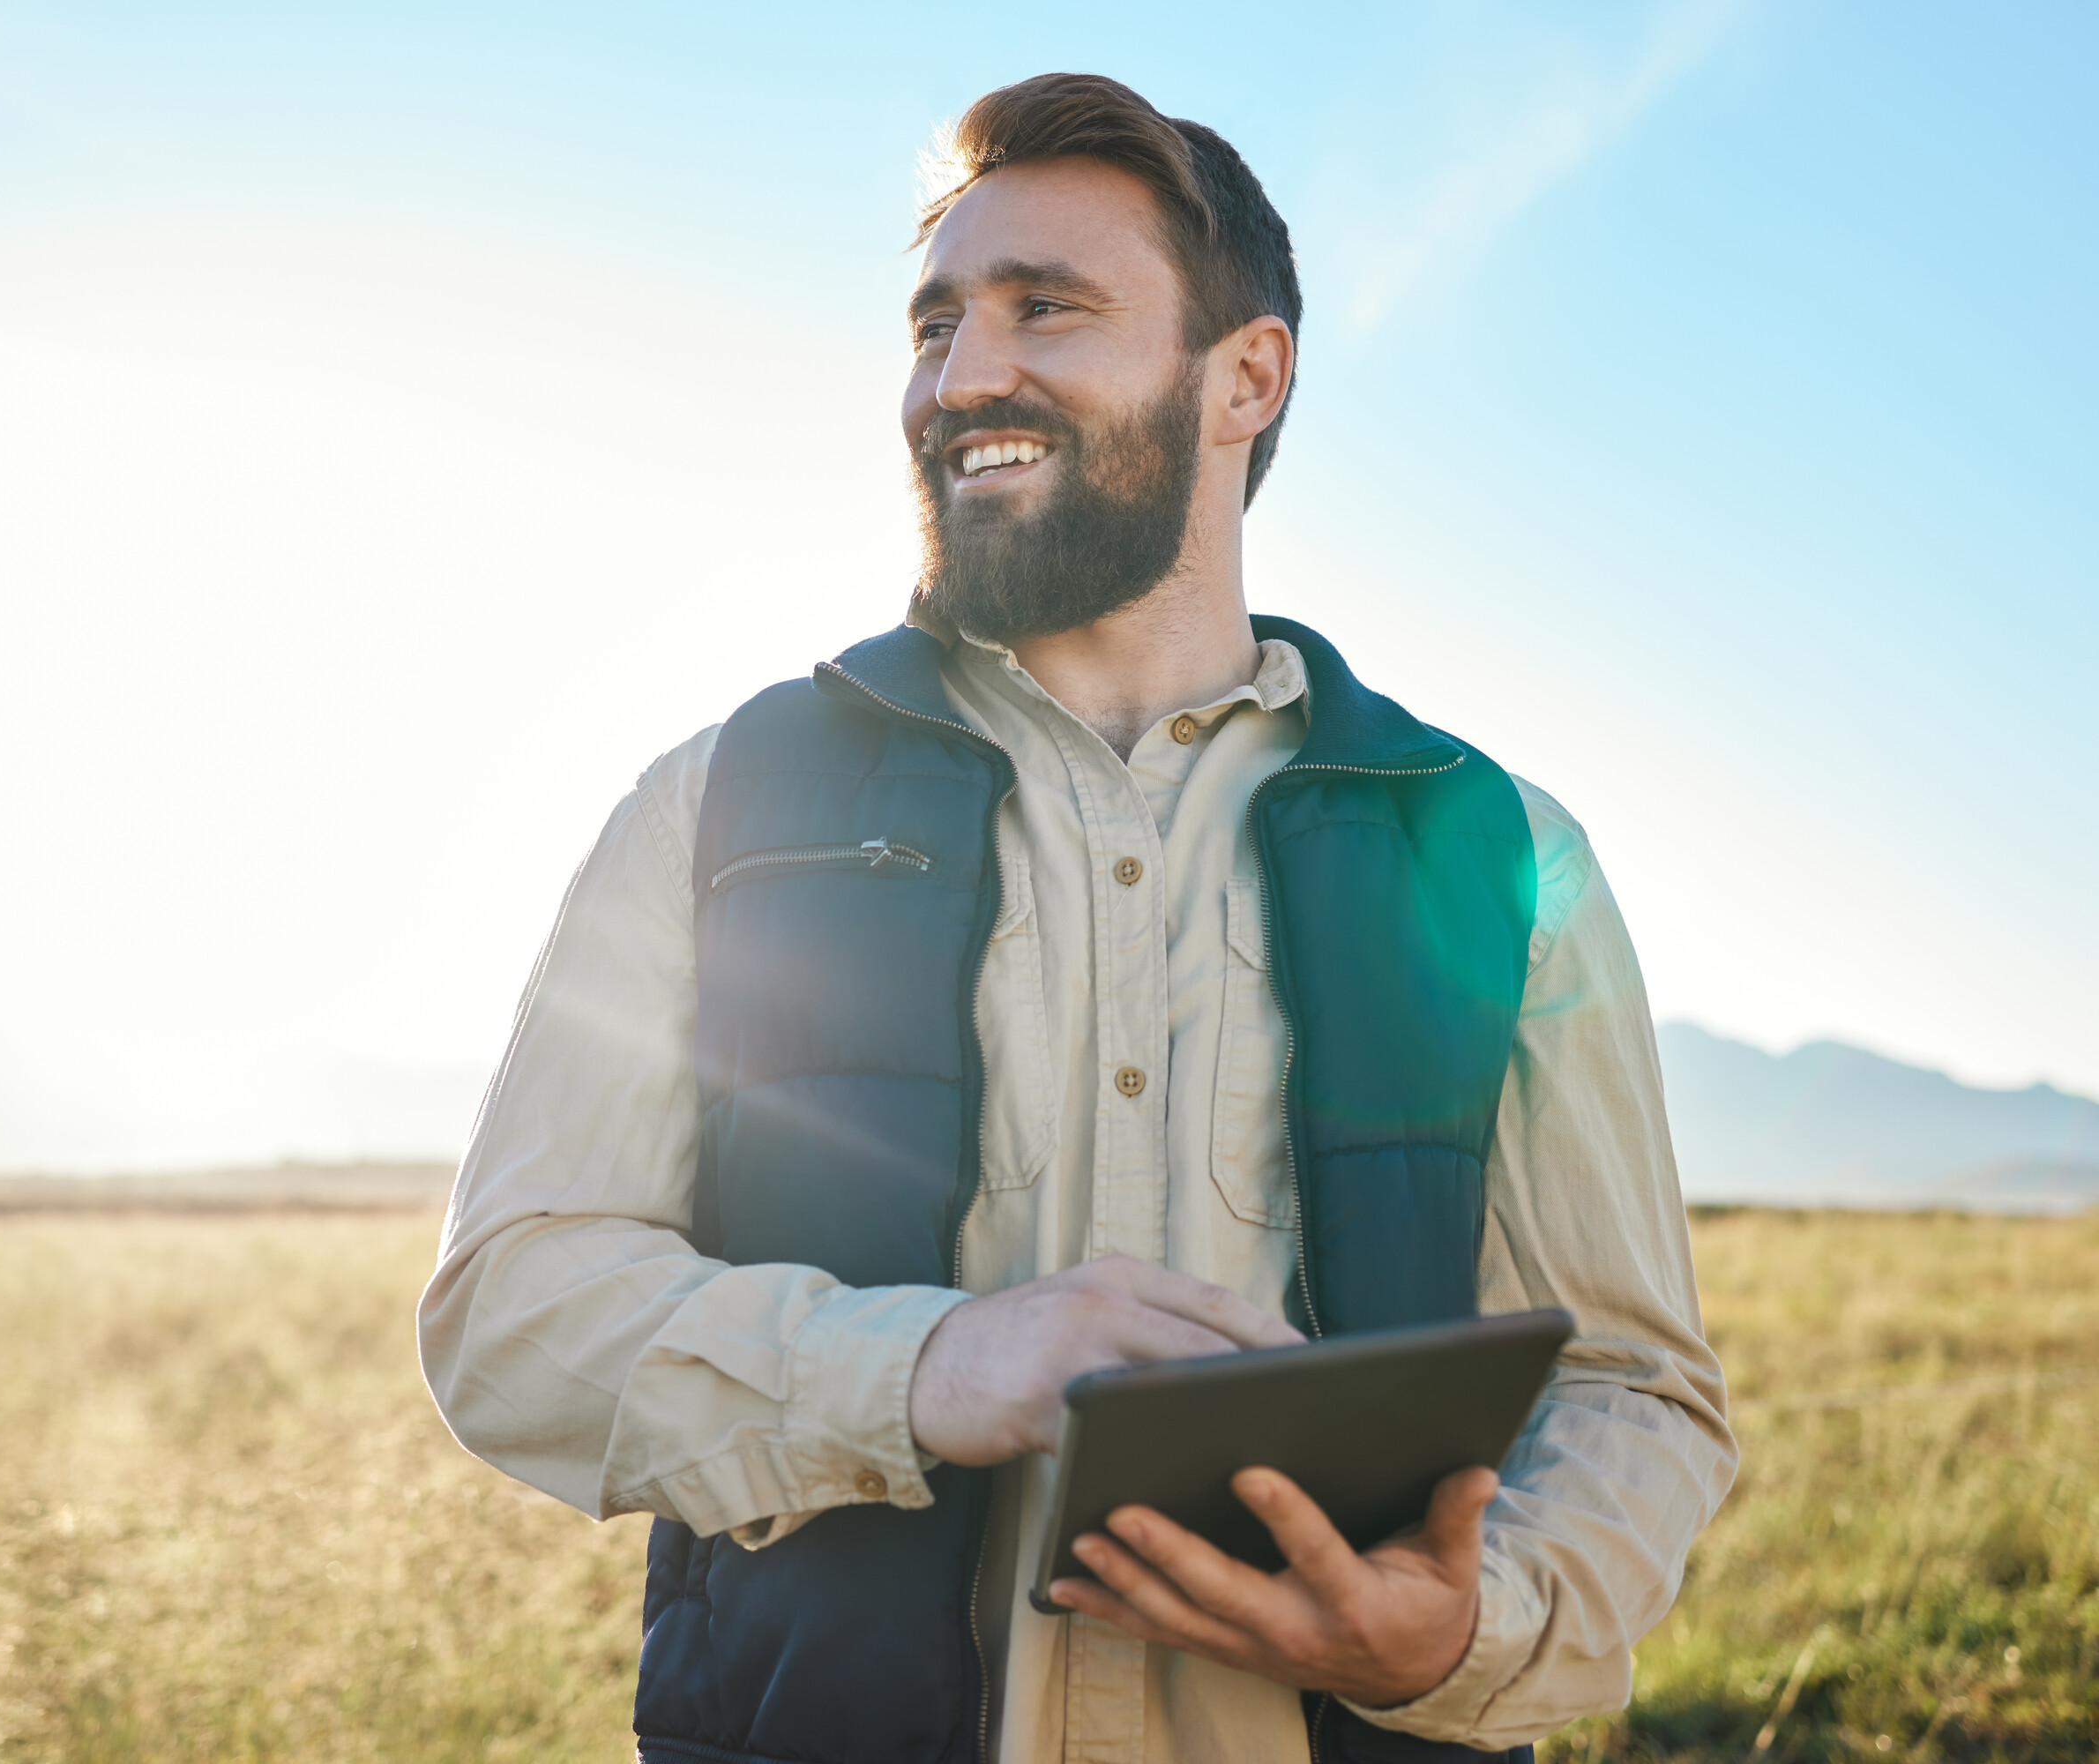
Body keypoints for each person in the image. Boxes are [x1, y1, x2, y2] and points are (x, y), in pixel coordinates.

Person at [420, 71, 1735, 1764]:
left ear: (1242, 376)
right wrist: (920, 1370)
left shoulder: (1495, 851)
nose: (966, 376)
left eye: (1050, 308)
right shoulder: (720, 803)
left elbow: (1634, 1389)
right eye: (937, 322)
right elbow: (511, 1314)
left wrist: (1470, 1630)